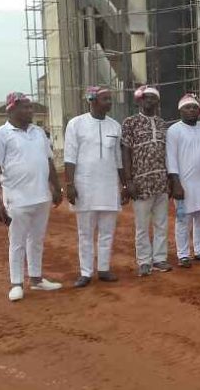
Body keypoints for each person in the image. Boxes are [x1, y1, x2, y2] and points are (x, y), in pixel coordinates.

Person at [0, 92, 64, 301]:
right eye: (25, 107)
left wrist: (56, 188)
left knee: (36, 239)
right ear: (11, 109)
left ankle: (36, 279)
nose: (30, 110)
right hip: (17, 199)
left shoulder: (39, 132)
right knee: (17, 241)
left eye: (30, 107)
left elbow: (49, 162)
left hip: (41, 196)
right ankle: (16, 283)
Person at [64, 86, 127, 288]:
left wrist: (124, 184)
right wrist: (70, 184)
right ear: (92, 101)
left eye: (110, 99)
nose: (109, 102)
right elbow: (69, 157)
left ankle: (104, 269)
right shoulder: (76, 124)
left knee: (107, 231)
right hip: (85, 186)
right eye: (105, 99)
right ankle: (85, 272)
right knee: (85, 233)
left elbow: (118, 159)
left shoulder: (115, 126)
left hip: (108, 186)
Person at [121, 85, 172, 277]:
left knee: (161, 223)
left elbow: (166, 152)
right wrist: (128, 181)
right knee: (142, 225)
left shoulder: (161, 123)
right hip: (140, 182)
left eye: (154, 99)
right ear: (140, 101)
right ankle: (144, 261)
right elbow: (125, 152)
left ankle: (159, 258)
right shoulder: (130, 122)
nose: (151, 101)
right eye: (147, 98)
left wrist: (169, 179)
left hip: (160, 180)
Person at [166, 94, 200, 267]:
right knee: (183, 220)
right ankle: (183, 254)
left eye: (194, 107)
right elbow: (171, 158)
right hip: (184, 184)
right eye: (188, 107)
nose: (192, 110)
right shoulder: (174, 130)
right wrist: (175, 183)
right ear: (180, 110)